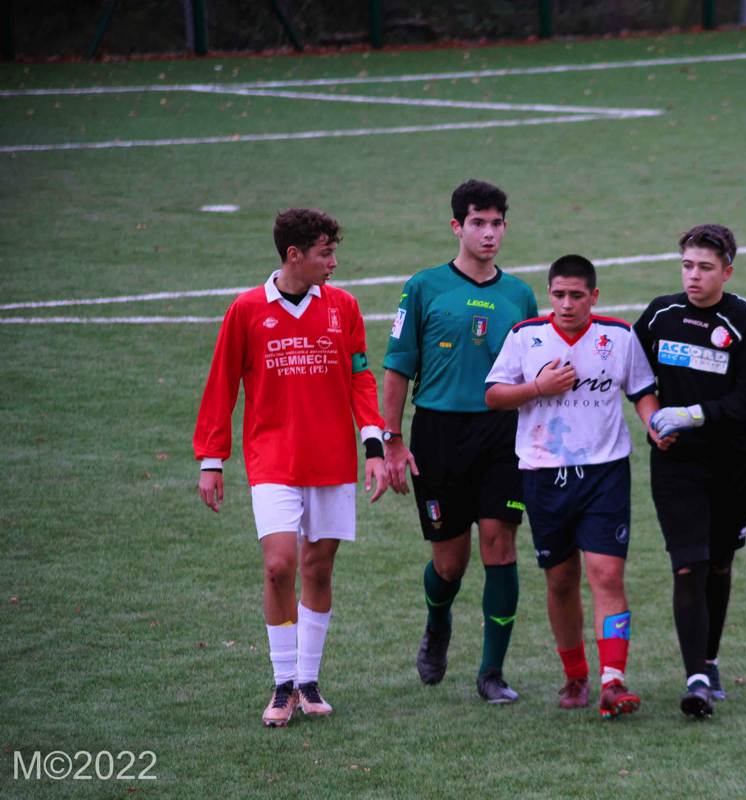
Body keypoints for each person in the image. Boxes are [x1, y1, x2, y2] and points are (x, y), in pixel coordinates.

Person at [194, 208, 389, 727]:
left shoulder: (343, 307)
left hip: (332, 459)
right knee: (279, 565)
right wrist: (212, 459)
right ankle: (282, 683)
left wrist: (373, 444)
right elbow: (222, 383)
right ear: (294, 255)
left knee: (318, 568)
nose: (334, 262)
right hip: (272, 459)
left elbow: (360, 377)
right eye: (326, 253)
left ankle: (308, 680)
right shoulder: (247, 310)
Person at [484, 254, 667, 718]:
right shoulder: (526, 336)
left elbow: (642, 391)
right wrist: (537, 388)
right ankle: (575, 675)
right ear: (549, 294)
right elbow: (494, 395)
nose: (566, 304)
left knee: (606, 574)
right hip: (544, 474)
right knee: (561, 580)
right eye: (559, 295)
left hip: (605, 472)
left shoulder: (619, 337)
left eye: (577, 295)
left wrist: (653, 424)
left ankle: (613, 680)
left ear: (594, 296)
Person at [382, 179, 538, 704]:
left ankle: (492, 672)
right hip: (439, 434)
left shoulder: (520, 296)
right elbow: (398, 367)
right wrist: (391, 440)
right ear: (457, 226)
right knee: (450, 563)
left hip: (502, 434)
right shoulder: (423, 287)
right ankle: (438, 623)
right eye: (478, 223)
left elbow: (530, 372)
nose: (488, 233)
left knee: (500, 544)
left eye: (496, 223)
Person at [634, 223, 746, 719]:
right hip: (677, 465)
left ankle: (709, 659)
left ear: (727, 272)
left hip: (733, 466)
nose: (693, 276)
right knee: (688, 563)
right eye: (687, 265)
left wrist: (690, 415)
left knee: (718, 563)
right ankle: (695, 679)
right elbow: (635, 375)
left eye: (705, 268)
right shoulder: (660, 315)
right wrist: (653, 422)